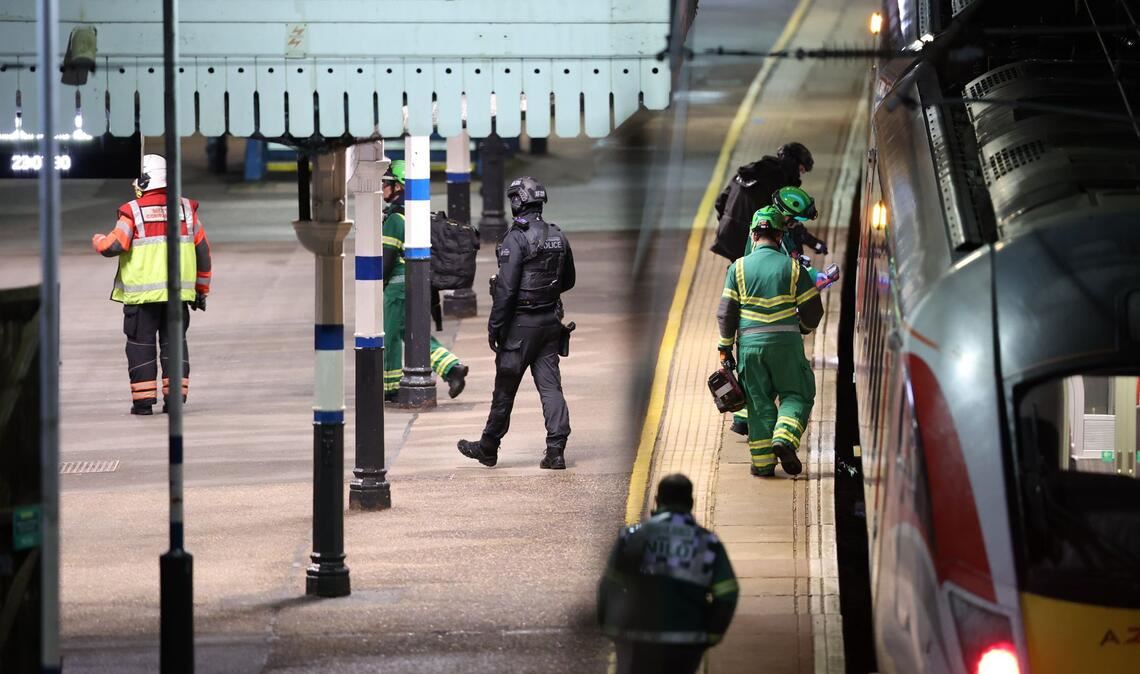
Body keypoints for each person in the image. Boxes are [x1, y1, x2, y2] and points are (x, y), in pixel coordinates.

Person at [457, 176, 576, 469]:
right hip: (550, 323)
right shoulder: (557, 235)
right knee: (551, 388)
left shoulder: (516, 238)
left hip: (520, 328)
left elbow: (507, 290)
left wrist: (495, 327)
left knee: (505, 389)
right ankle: (556, 449)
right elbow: (569, 280)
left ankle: (488, 446)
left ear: (517, 202)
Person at [91, 154, 211, 415]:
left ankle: (143, 404)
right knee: (174, 345)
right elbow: (203, 252)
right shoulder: (186, 211)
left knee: (140, 347)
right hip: (178, 296)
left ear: (144, 181)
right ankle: (175, 401)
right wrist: (201, 290)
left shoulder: (132, 212)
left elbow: (114, 246)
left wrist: (97, 239)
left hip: (142, 300)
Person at [717, 208, 824, 476]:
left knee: (758, 402)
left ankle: (763, 465)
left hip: (750, 348)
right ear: (780, 236)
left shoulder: (738, 268)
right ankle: (785, 438)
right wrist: (803, 328)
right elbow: (813, 310)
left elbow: (727, 312)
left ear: (753, 235)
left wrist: (725, 347)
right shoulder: (793, 267)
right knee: (797, 393)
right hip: (786, 345)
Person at [597, 474, 738, 674]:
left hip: (637, 637)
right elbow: (727, 593)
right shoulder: (707, 543)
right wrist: (710, 635)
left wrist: (610, 628)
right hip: (686, 641)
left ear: (657, 500)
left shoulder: (632, 537)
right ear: (690, 503)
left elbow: (610, 586)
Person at [380, 159, 469, 401]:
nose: (382, 187)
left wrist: (374, 285)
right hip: (415, 286)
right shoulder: (415, 215)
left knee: (390, 336)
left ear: (399, 186)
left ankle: (390, 388)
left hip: (396, 290)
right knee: (415, 333)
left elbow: (386, 261)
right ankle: (451, 368)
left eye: (386, 182)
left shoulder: (395, 220)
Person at [711, 142, 813, 261]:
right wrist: (807, 239)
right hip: (749, 239)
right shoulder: (780, 182)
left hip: (727, 234)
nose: (799, 176)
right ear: (793, 164)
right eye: (800, 170)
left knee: (740, 272)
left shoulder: (750, 171)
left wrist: (729, 223)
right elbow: (787, 220)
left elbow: (720, 202)